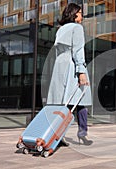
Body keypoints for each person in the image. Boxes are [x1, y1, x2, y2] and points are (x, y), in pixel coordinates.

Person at [46, 3, 93, 146]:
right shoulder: (77, 28)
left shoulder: (60, 30)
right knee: (80, 100)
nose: (82, 16)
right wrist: (81, 72)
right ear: (73, 14)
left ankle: (59, 135)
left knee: (63, 103)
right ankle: (82, 133)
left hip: (59, 67)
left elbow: (57, 51)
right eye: (79, 13)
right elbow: (78, 51)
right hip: (72, 66)